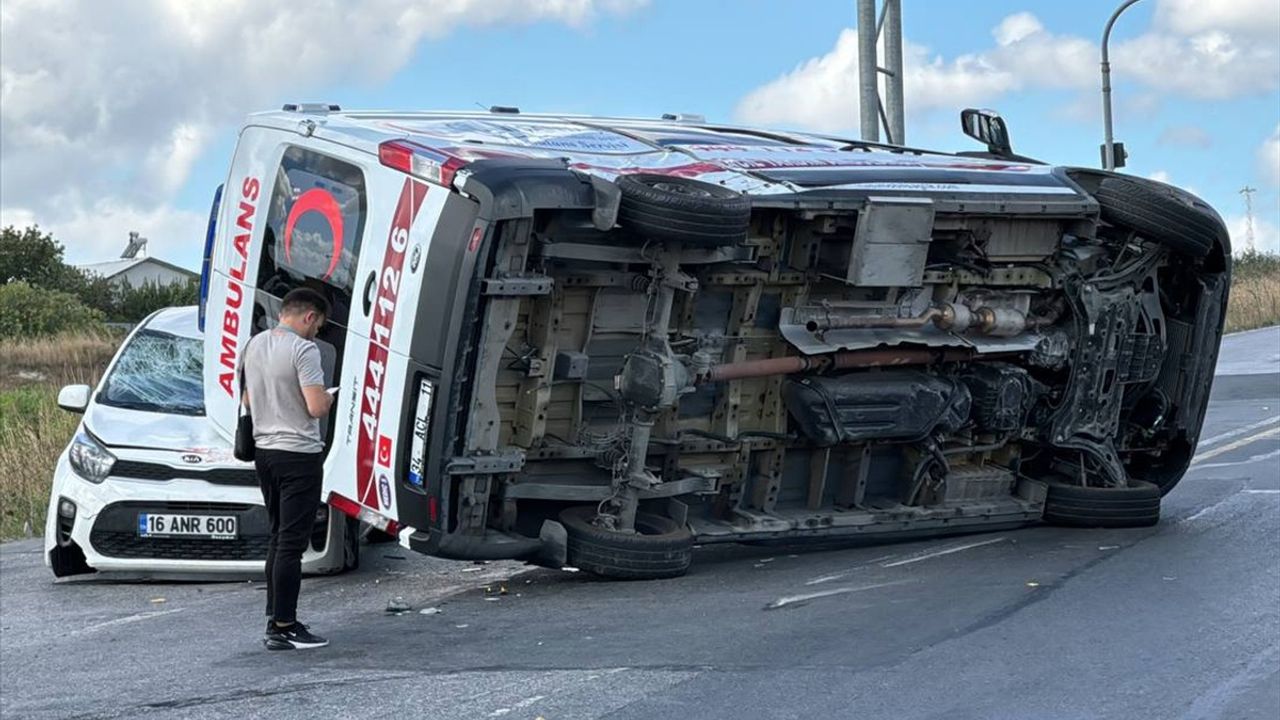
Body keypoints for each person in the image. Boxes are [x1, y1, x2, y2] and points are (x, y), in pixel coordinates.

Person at [242, 287, 334, 650]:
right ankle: (284, 625)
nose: (317, 333)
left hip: (265, 452)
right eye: (318, 325)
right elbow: (315, 407)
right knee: (292, 545)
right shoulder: (303, 349)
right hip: (299, 454)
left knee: (278, 536)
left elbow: (247, 398)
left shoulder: (253, 344)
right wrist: (327, 396)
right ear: (309, 316)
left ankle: (274, 615)